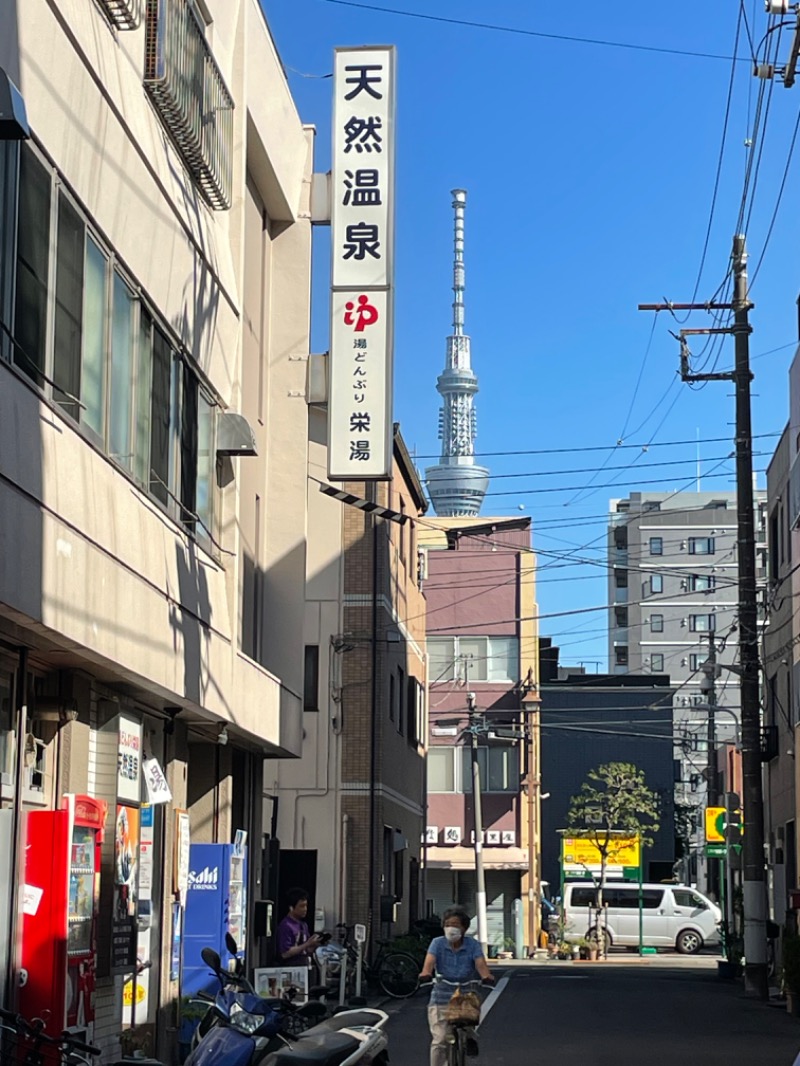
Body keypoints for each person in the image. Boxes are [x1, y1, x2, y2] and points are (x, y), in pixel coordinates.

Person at [419, 907, 495, 1066]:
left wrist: (486, 976)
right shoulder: (437, 943)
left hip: (465, 994)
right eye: (447, 924)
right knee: (439, 1040)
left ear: (464, 928)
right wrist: (426, 973)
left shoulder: (472, 945)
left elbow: (480, 963)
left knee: (468, 1023)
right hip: (441, 995)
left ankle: (469, 1037)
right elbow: (430, 961)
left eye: (455, 924)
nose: (450, 928)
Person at [276, 888, 321, 967]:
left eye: (306, 906)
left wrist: (315, 944)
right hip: (291, 966)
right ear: (291, 908)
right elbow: (285, 953)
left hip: (304, 964)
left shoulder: (303, 925)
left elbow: (307, 949)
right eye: (301, 906)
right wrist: (307, 944)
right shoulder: (286, 925)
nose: (305, 909)